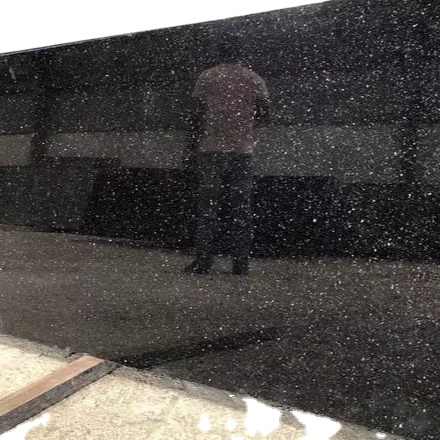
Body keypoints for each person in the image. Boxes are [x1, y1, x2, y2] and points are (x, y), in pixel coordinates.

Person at [184, 40, 269, 275]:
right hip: (242, 150)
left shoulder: (207, 77)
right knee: (241, 208)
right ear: (241, 55)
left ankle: (203, 261)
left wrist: (192, 145)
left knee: (208, 208)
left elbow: (196, 114)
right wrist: (247, 131)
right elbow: (265, 113)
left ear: (219, 54)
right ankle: (240, 263)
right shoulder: (254, 79)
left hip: (211, 148)